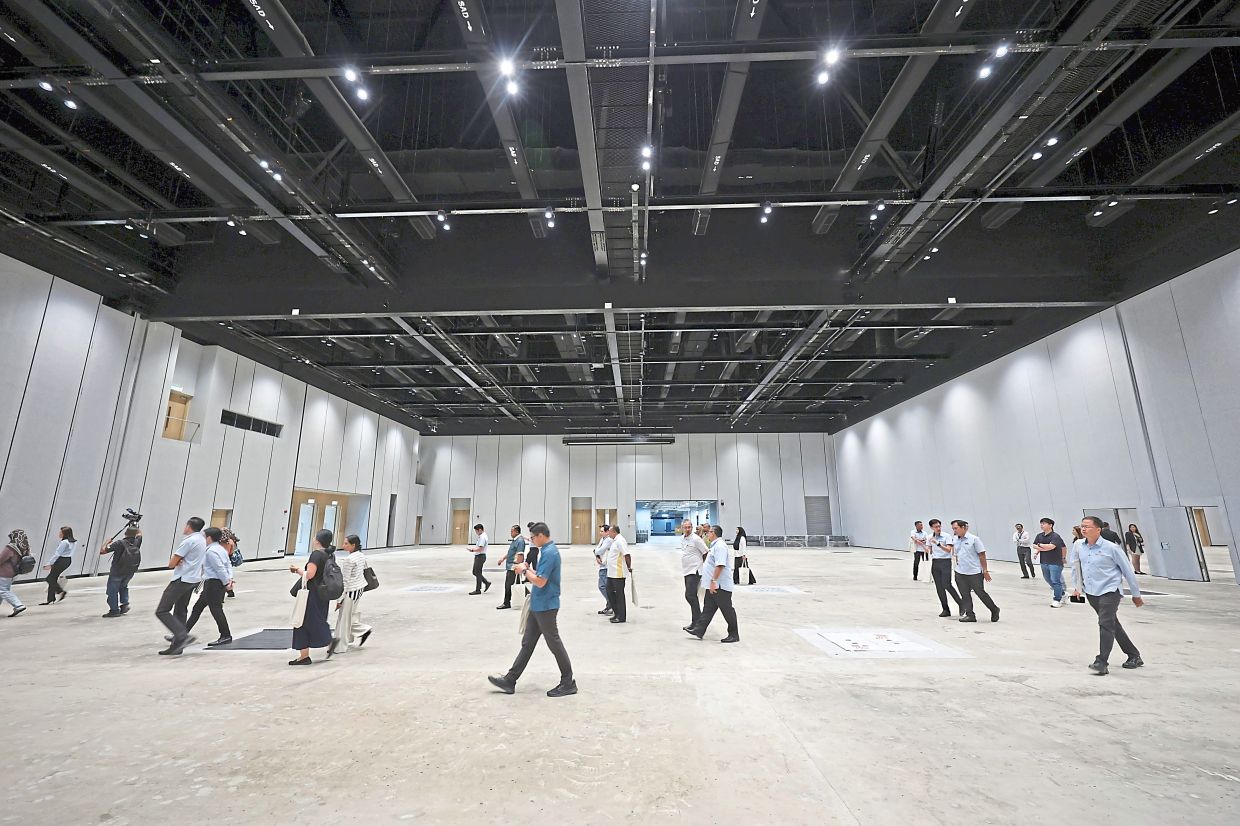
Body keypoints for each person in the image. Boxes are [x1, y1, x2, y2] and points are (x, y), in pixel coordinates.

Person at [487, 521, 576, 697]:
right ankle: (510, 680)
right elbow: (540, 575)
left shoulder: (550, 553)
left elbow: (541, 582)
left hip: (546, 606)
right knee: (527, 643)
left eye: (533, 537)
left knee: (554, 644)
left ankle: (568, 682)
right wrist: (529, 569)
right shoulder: (546, 551)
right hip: (538, 605)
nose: (532, 540)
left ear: (541, 535)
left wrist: (523, 571)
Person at [1070, 516, 1144, 676]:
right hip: (1091, 592)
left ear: (1098, 529)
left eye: (1087, 526)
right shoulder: (1078, 546)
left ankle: (1101, 661)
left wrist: (1136, 594)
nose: (1083, 529)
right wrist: (1077, 588)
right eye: (1082, 526)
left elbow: (1127, 571)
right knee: (1111, 624)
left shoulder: (1112, 548)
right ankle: (1134, 655)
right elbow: (1076, 567)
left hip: (1110, 591)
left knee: (1105, 623)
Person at [153, 518, 207, 655]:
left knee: (162, 610)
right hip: (193, 579)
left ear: (189, 526)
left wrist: (177, 561)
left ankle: (182, 635)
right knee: (181, 611)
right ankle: (177, 646)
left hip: (182, 579)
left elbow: (171, 563)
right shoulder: (201, 540)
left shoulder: (188, 541)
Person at [288, 529, 335, 665]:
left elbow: (310, 574)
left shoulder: (316, 555)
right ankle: (305, 655)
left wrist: (297, 570)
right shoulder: (329, 555)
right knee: (315, 619)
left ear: (317, 540)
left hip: (311, 593)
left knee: (303, 621)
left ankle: (327, 642)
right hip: (323, 593)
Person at [686, 525, 739, 643]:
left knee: (727, 610)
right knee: (708, 609)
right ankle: (699, 630)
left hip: (720, 586)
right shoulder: (715, 546)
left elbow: (720, 565)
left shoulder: (720, 547)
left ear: (713, 533)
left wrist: (714, 581)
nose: (707, 534)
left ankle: (734, 634)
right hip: (712, 585)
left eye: (709, 532)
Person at [185, 527, 233, 646]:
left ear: (209, 538)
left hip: (213, 583)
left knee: (216, 609)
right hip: (214, 583)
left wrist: (226, 583)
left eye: (204, 537)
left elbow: (219, 568)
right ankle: (182, 633)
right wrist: (229, 579)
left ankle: (226, 635)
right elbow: (228, 565)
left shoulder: (211, 551)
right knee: (197, 608)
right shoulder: (220, 549)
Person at [947, 520, 999, 623]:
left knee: (980, 593)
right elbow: (956, 554)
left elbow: (982, 555)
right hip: (960, 572)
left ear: (963, 528)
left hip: (974, 572)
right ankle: (970, 615)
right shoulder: (955, 539)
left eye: (956, 528)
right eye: (953, 528)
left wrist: (985, 571)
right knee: (965, 594)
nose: (954, 530)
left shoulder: (974, 539)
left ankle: (994, 609)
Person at [330, 534, 373, 655]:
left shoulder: (349, 560)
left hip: (350, 591)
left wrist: (339, 600)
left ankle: (340, 646)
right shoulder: (361, 556)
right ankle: (363, 631)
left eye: (346, 544)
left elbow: (345, 581)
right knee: (350, 616)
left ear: (353, 545)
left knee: (343, 619)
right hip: (359, 589)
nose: (343, 545)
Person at [100, 526, 142, 617]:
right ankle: (125, 604)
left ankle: (114, 610)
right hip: (130, 571)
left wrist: (106, 542)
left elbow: (102, 551)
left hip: (117, 571)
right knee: (123, 586)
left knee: (112, 591)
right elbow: (139, 534)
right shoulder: (137, 541)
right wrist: (135, 523)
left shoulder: (119, 543)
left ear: (125, 533)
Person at [927, 519, 961, 617]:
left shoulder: (946, 536)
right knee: (939, 587)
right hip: (935, 562)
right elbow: (930, 549)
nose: (938, 528)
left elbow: (948, 550)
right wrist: (927, 549)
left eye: (939, 526)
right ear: (931, 528)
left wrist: (938, 544)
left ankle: (961, 604)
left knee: (947, 584)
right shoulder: (929, 537)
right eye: (935, 527)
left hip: (945, 561)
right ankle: (945, 609)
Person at [678, 519, 708, 629]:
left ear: (692, 527)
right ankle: (695, 622)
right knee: (692, 596)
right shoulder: (682, 539)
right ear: (682, 528)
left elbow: (705, 552)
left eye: (689, 527)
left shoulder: (696, 539)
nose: (687, 529)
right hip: (686, 570)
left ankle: (698, 622)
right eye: (685, 527)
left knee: (689, 595)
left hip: (695, 571)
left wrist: (700, 564)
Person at [1033, 517, 1067, 608]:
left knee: (1055, 580)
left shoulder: (1055, 536)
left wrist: (1039, 546)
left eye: (1044, 523)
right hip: (1044, 561)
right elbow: (1034, 545)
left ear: (1050, 525)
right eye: (1041, 523)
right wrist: (1039, 549)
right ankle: (1062, 593)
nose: (1041, 525)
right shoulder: (1039, 536)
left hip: (1055, 562)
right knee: (1048, 579)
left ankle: (1057, 599)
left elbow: (1051, 546)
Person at [603, 524, 632, 623]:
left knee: (619, 595)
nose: (608, 534)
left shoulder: (620, 541)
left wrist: (629, 567)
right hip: (611, 573)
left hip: (618, 574)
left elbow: (627, 555)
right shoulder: (614, 541)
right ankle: (616, 613)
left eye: (610, 532)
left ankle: (621, 617)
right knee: (609, 592)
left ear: (614, 532)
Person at [41, 526, 76, 604]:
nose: (59, 534)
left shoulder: (64, 542)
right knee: (52, 578)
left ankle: (61, 592)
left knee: (50, 578)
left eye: (61, 532)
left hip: (61, 560)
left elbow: (57, 554)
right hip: (68, 560)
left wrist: (49, 564)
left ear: (65, 534)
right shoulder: (73, 542)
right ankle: (51, 599)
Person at [0, 530, 29, 617]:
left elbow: (1, 558)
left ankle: (18, 605)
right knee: (3, 590)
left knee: (3, 590)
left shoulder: (10, 548)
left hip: (4, 572)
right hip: (12, 573)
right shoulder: (24, 547)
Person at [497, 525, 526, 610]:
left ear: (517, 532)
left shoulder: (520, 541)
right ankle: (530, 599)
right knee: (516, 584)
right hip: (511, 565)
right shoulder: (515, 540)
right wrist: (503, 558)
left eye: (512, 531)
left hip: (513, 566)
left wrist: (518, 566)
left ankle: (506, 603)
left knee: (508, 585)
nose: (511, 533)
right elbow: (511, 552)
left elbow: (520, 555)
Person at [594, 525, 613, 615]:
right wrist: (596, 554)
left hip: (605, 567)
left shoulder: (608, 540)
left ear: (607, 532)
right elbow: (596, 550)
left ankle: (612, 604)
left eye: (602, 531)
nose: (600, 533)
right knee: (604, 587)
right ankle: (609, 605)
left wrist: (596, 552)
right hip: (602, 566)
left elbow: (599, 551)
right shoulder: (603, 539)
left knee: (603, 586)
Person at [467, 523, 491, 595]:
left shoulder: (482, 537)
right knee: (475, 572)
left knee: (477, 572)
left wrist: (472, 550)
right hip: (479, 556)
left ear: (480, 530)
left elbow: (481, 548)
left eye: (476, 531)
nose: (476, 533)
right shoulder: (482, 536)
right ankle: (486, 583)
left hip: (480, 556)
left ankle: (478, 589)